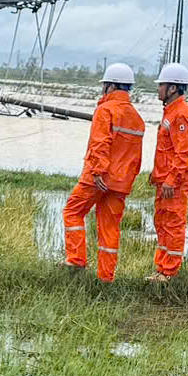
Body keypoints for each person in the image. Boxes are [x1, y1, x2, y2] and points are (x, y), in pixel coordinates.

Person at [62, 63, 146, 280]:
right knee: (109, 228)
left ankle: (75, 261)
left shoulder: (105, 110)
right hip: (120, 183)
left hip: (98, 177)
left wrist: (98, 171)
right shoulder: (137, 118)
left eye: (104, 85)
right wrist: (126, 180)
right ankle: (106, 277)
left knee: (73, 212)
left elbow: (101, 143)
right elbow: (135, 157)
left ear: (110, 86)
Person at [150, 62, 188, 282]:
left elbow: (184, 154)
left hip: (176, 183)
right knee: (162, 222)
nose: (158, 89)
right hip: (166, 181)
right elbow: (167, 150)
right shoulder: (171, 112)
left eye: (162, 85)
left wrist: (171, 180)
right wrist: (157, 175)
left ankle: (169, 272)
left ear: (172, 88)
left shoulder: (181, 115)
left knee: (173, 224)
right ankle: (162, 268)